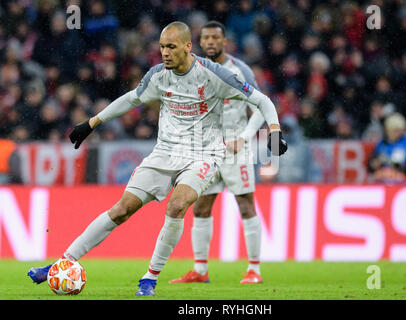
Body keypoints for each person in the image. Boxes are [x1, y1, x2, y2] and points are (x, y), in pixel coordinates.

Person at [27, 21, 287, 297]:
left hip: (203, 155)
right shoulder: (158, 75)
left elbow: (262, 100)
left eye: (171, 47)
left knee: (177, 206)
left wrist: (274, 131)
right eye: (162, 47)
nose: (164, 53)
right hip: (164, 154)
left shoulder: (215, 74)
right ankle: (63, 261)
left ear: (188, 46)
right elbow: (130, 99)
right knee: (121, 210)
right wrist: (92, 123)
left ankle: (150, 278)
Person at [168, 21, 266, 285]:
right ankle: (200, 270)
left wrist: (244, 138)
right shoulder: (193, 69)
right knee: (200, 207)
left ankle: (254, 269)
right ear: (200, 42)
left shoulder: (239, 70)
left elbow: (260, 108)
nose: (210, 42)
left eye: (215, 38)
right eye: (206, 38)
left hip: (236, 151)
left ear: (225, 42)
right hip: (206, 151)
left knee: (246, 206)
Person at [368, 112, 406, 184]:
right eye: (395, 130)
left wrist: (402, 168)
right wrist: (376, 163)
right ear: (387, 130)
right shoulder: (381, 144)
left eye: (400, 130)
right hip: (382, 183)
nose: (398, 133)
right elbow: (370, 166)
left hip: (404, 184)